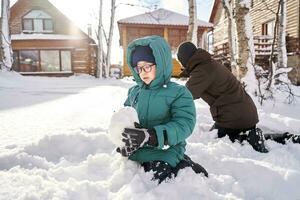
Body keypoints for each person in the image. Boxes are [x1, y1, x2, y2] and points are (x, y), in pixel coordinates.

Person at [116, 35, 208, 184]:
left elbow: (184, 123)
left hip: (165, 151)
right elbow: (126, 116)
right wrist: (123, 138)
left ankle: (185, 167)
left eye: (147, 66)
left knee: (157, 182)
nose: (143, 72)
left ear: (161, 64)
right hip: (137, 151)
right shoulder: (134, 92)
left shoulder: (178, 93)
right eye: (138, 68)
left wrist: (152, 136)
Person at [176, 41, 269, 153]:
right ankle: (251, 135)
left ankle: (250, 138)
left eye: (181, 62)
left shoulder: (202, 70)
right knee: (216, 135)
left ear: (185, 60)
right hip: (244, 114)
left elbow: (185, 95)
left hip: (234, 118)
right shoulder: (207, 64)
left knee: (217, 141)